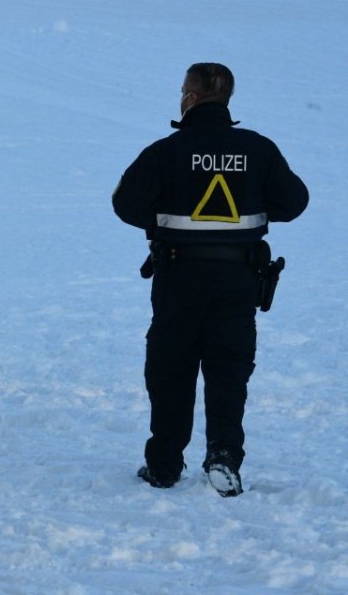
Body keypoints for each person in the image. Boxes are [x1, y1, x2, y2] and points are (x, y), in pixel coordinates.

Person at [112, 62, 308, 496]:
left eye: (183, 90)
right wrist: (247, 209)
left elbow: (125, 204)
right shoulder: (257, 150)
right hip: (238, 277)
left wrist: (162, 222)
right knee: (229, 369)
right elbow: (295, 202)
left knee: (169, 367)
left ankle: (164, 464)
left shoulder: (166, 151)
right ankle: (224, 457)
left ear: (192, 98)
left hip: (179, 274)